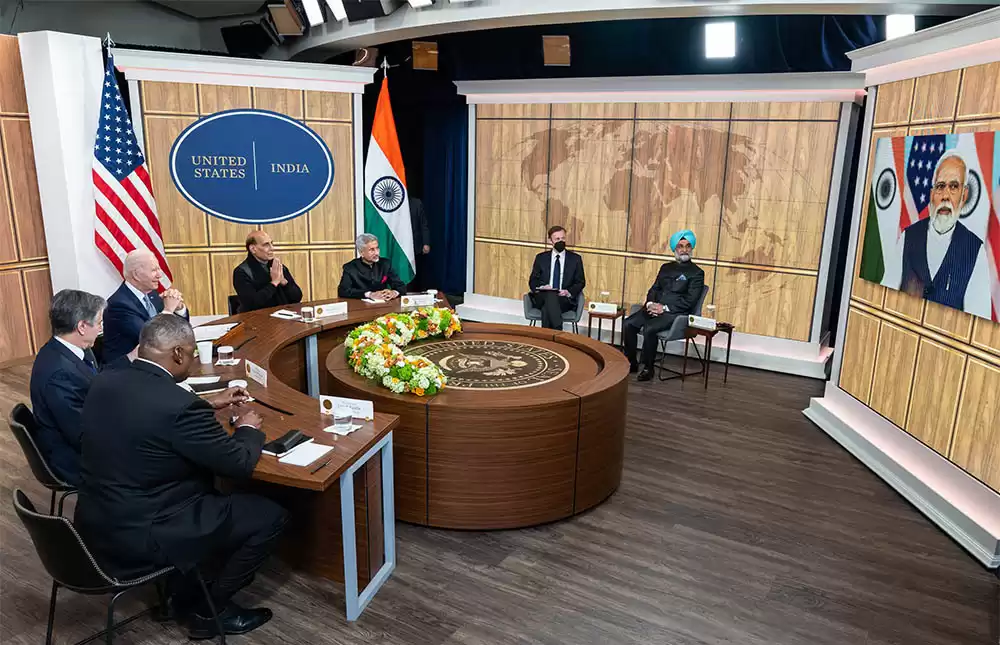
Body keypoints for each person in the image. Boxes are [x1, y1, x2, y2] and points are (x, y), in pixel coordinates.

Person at [75, 314, 287, 639]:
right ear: (177, 354)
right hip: (146, 533)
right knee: (270, 515)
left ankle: (181, 591)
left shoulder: (105, 380)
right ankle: (209, 612)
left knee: (207, 491)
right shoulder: (179, 407)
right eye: (192, 353)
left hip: (94, 524)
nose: (193, 359)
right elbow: (238, 464)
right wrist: (247, 428)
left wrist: (206, 403)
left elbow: (147, 414)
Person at [898, 151, 991, 318]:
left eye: (954, 187)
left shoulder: (976, 251)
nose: (945, 196)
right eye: (940, 186)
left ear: (964, 196)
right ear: (932, 194)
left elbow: (978, 320)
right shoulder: (908, 237)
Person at [28, 290, 105, 485]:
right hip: (74, 460)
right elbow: (83, 436)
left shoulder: (69, 349)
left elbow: (96, 379)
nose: (101, 328)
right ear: (82, 326)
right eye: (99, 323)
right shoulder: (60, 375)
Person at [624, 229, 705, 382]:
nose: (684, 250)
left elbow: (690, 300)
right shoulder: (665, 267)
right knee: (628, 324)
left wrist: (664, 308)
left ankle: (648, 368)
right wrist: (650, 304)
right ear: (675, 249)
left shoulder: (697, 273)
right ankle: (631, 362)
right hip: (655, 308)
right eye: (680, 246)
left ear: (692, 248)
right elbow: (654, 289)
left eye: (688, 246)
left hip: (675, 314)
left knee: (650, 328)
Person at [102, 248, 188, 364]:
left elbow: (182, 332)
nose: (159, 275)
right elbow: (152, 339)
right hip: (128, 369)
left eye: (159, 269)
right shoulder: (119, 305)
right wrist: (168, 310)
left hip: (155, 363)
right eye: (154, 270)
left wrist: (179, 309)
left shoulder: (152, 294)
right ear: (136, 275)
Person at [527, 226, 585, 330]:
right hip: (543, 296)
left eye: (563, 238)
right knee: (550, 296)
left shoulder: (575, 259)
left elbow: (580, 282)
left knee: (547, 307)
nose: (561, 241)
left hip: (564, 299)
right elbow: (533, 281)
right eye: (557, 239)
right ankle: (557, 333)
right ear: (550, 241)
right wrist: (542, 287)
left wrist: (568, 292)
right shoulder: (541, 258)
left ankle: (547, 337)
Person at [233, 230, 303, 313]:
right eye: (266, 245)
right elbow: (252, 304)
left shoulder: (277, 266)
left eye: (272, 244)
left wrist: (285, 283)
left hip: (285, 316)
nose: (272, 248)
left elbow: (297, 298)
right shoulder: (241, 272)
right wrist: (274, 283)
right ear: (253, 249)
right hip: (257, 319)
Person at [338, 233, 407, 300]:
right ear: (361, 252)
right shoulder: (350, 267)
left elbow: (401, 286)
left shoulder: (385, 264)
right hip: (360, 305)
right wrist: (369, 294)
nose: (376, 253)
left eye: (377, 248)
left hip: (384, 304)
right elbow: (343, 291)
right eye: (372, 250)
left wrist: (394, 293)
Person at [409, 196, 431, 291]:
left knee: (417, 273)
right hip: (398, 247)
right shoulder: (392, 203)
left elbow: (423, 224)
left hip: (416, 245)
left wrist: (426, 243)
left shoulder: (416, 203)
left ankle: (416, 292)